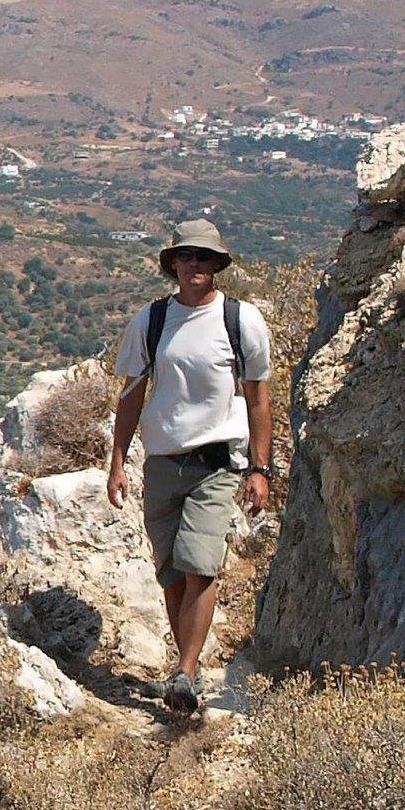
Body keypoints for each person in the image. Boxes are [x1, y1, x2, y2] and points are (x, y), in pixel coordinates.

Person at [101, 218, 273, 716]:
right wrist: (117, 462)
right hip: (162, 462)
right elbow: (130, 397)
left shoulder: (240, 321)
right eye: (186, 256)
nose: (195, 265)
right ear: (172, 263)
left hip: (218, 461)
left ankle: (188, 671)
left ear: (217, 264)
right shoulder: (151, 321)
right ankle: (185, 670)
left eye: (204, 257)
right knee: (172, 573)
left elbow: (258, 399)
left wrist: (261, 468)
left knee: (200, 564)